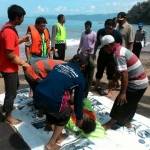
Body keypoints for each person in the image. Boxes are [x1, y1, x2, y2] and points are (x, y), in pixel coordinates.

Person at [33, 54, 88, 149]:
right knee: (65, 114)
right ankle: (51, 144)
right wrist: (79, 118)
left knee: (53, 103)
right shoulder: (80, 79)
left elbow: (56, 83)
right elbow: (78, 101)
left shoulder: (59, 66)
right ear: (83, 66)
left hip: (37, 94)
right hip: (50, 100)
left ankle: (49, 125)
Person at [100, 35, 148, 129]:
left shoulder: (118, 55)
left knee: (120, 102)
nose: (105, 50)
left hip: (136, 83)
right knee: (132, 103)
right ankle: (127, 121)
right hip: (143, 82)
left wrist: (122, 93)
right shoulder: (120, 48)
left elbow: (124, 75)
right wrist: (114, 79)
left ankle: (110, 123)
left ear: (109, 45)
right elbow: (120, 70)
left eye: (104, 48)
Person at [0, 5, 30, 125]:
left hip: (8, 66)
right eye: (22, 17)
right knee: (11, 92)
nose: (23, 20)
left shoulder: (8, 28)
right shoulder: (9, 32)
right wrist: (24, 63)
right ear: (17, 17)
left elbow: (11, 44)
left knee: (14, 86)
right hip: (8, 68)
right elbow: (10, 55)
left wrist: (22, 39)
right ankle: (8, 116)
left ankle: (7, 108)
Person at [94, 19, 122, 97]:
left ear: (113, 27)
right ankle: (96, 85)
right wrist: (94, 52)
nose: (108, 30)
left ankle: (110, 90)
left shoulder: (117, 34)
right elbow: (97, 42)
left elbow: (119, 46)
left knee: (110, 72)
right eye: (106, 28)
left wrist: (118, 58)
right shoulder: (100, 32)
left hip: (112, 56)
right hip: (102, 53)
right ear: (104, 26)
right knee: (99, 69)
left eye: (110, 28)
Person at [77, 21, 96, 97]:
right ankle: (82, 87)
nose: (86, 27)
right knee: (83, 71)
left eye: (87, 26)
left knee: (90, 71)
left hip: (90, 55)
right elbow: (81, 42)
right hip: (83, 54)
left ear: (90, 26)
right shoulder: (83, 33)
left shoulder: (94, 33)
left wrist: (90, 48)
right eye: (85, 26)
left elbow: (95, 43)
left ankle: (87, 91)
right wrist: (79, 48)